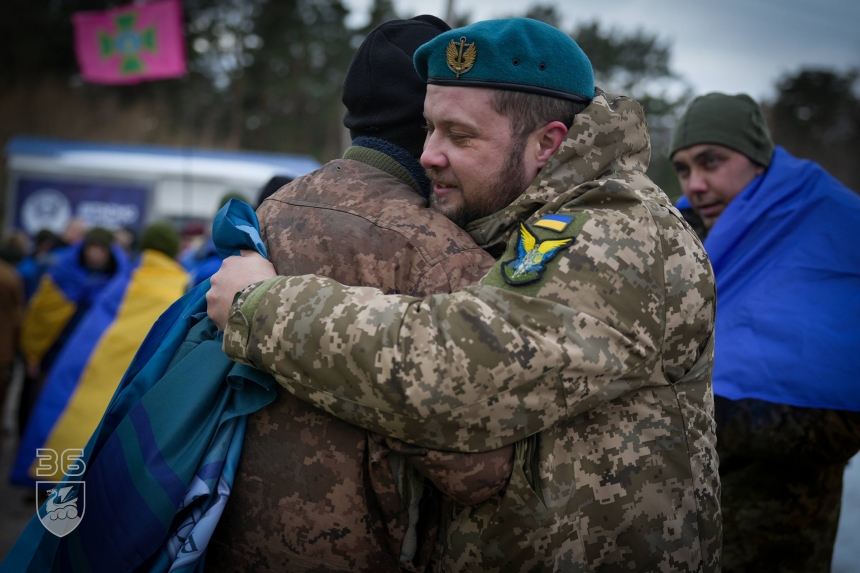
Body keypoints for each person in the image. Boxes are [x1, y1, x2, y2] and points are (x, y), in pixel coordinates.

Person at [207, 18, 720, 572]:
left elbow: (458, 369)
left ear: (547, 142)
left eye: (460, 135)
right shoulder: (521, 217)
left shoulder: (619, 232)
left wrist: (258, 306)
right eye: (429, 128)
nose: (428, 154)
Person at [206, 17, 512, 572]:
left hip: (227, 540)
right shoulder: (445, 254)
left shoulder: (272, 209)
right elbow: (479, 472)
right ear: (431, 115)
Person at [669, 92, 860, 573]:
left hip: (777, 523)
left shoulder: (823, 229)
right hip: (679, 517)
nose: (696, 184)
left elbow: (838, 420)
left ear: (758, 160)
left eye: (711, 161)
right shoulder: (677, 233)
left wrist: (693, 410)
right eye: (684, 169)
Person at [11, 222, 189, 485]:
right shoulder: (182, 286)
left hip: (84, 361)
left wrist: (33, 352)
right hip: (137, 374)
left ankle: (51, 475)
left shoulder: (124, 278)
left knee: (63, 415)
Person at [17, 227, 129, 437]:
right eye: (91, 247)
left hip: (85, 357)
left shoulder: (117, 281)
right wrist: (32, 354)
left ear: (109, 252)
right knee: (33, 404)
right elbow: (40, 315)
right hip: (51, 353)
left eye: (101, 249)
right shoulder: (61, 272)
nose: (95, 254)